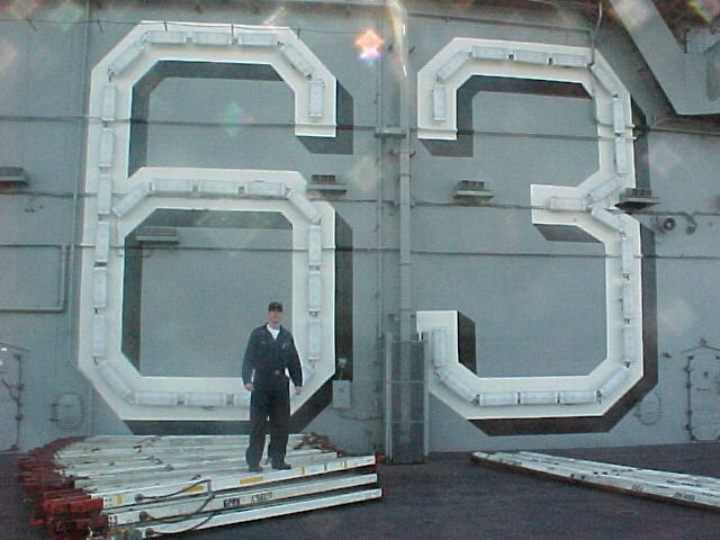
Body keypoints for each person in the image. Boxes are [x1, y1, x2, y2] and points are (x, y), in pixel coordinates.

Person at [242, 301, 303, 472]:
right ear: (268, 314)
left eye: (278, 312)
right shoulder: (258, 334)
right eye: (272, 312)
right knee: (258, 425)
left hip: (280, 385)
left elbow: (293, 361)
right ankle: (253, 462)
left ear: (282, 315)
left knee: (281, 424)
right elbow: (248, 358)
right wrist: (247, 379)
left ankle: (278, 460)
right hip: (261, 384)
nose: (275, 315)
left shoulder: (286, 337)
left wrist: (298, 382)